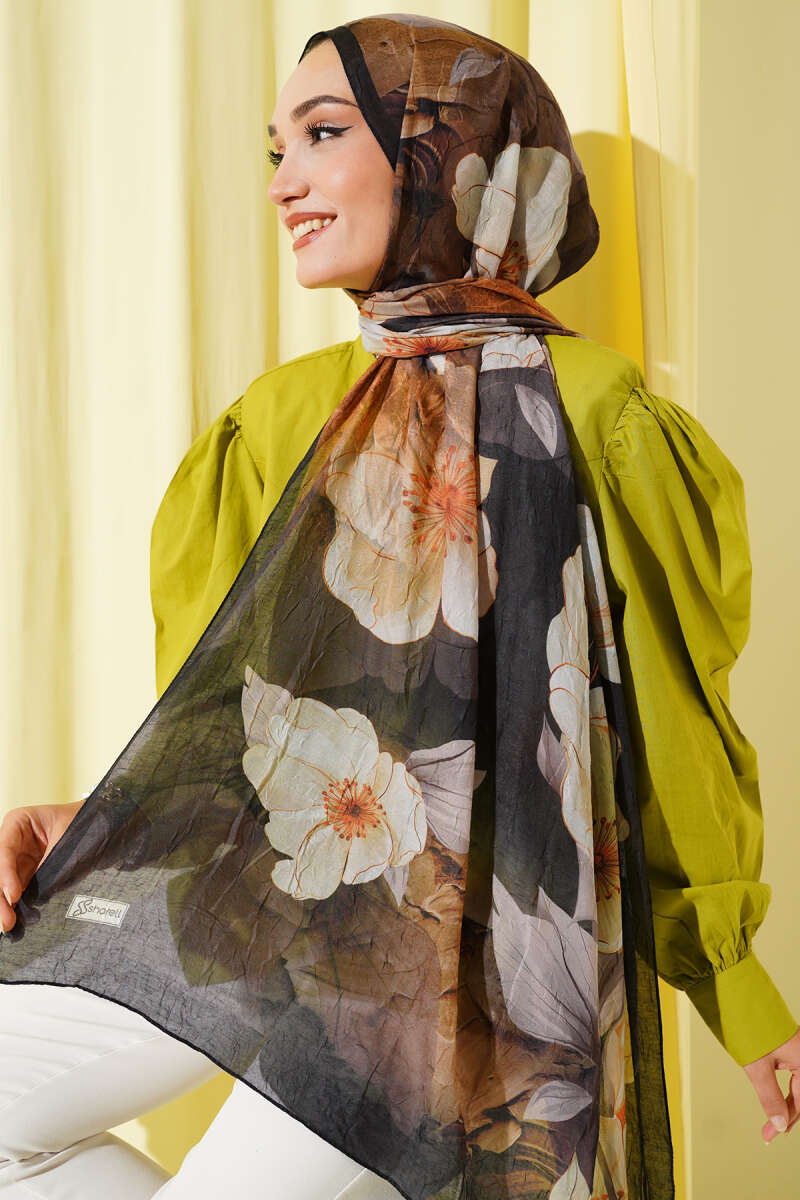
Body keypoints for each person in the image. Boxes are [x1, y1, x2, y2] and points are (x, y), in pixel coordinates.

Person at [1, 14, 798, 1200]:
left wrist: (736, 990)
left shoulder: (599, 414)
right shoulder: (277, 421)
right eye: (274, 149)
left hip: (449, 978)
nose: (282, 183)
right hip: (255, 920)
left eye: (323, 134)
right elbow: (227, 729)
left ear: (447, 155)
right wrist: (107, 822)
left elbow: (668, 731)